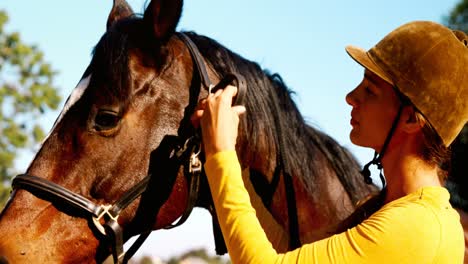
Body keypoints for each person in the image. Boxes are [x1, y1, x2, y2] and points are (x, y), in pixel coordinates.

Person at [192, 21, 468, 263]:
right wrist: (234, 163)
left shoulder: (419, 226)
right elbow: (289, 253)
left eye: (370, 90)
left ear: (410, 119)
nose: (351, 96)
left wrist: (221, 152)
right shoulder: (400, 211)